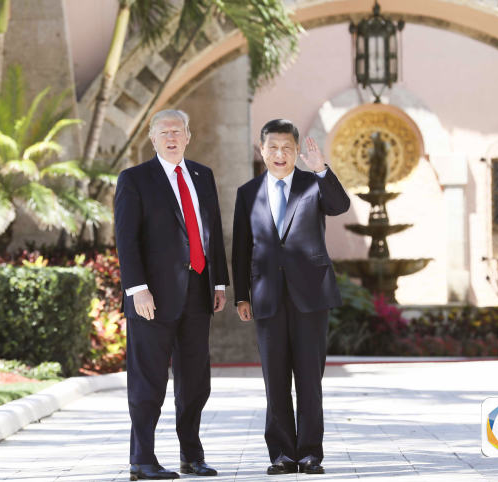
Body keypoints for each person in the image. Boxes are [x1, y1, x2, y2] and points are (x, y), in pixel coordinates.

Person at [114, 109, 229, 480]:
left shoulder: (202, 175)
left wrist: (219, 282)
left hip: (198, 292)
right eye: (164, 132)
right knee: (148, 381)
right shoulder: (135, 179)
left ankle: (191, 456)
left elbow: (213, 231)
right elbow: (126, 239)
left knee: (195, 382)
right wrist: (137, 289)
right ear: (152, 138)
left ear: (188, 136)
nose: (171, 137)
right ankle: (142, 460)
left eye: (177, 131)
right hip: (152, 298)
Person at [232, 119, 350, 476]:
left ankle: (310, 453)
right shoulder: (248, 192)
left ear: (297, 151)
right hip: (267, 296)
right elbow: (241, 248)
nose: (280, 154)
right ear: (262, 150)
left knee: (310, 380)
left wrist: (321, 169)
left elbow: (340, 205)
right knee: (276, 379)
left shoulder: (313, 184)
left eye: (287, 148)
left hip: (311, 296)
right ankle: (283, 454)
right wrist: (242, 296)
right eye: (273, 147)